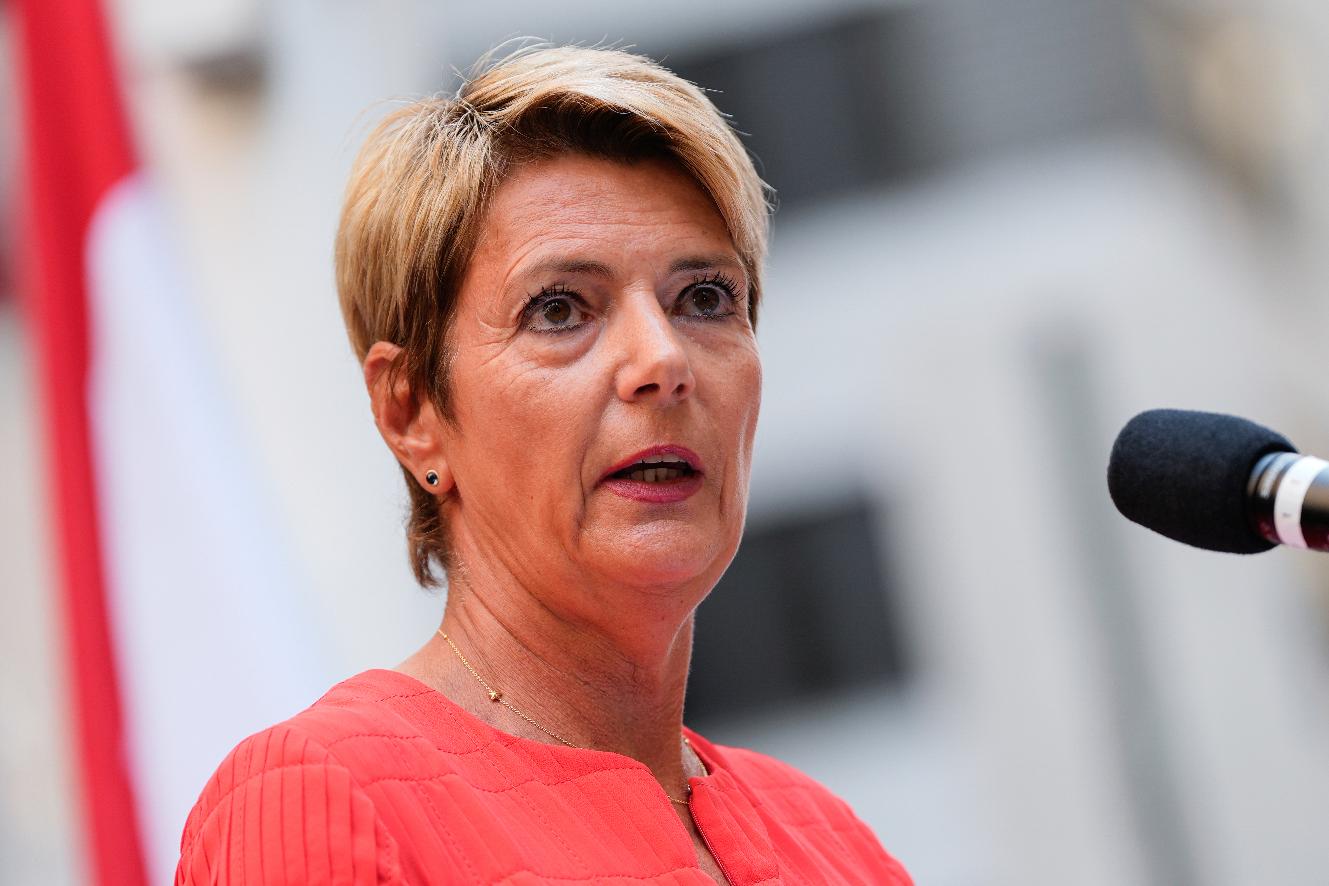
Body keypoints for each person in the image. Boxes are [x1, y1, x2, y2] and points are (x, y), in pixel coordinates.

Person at [175, 45, 913, 885]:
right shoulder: (325, 795)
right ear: (412, 414)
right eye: (559, 310)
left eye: (705, 298)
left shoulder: (829, 840)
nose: (662, 360)